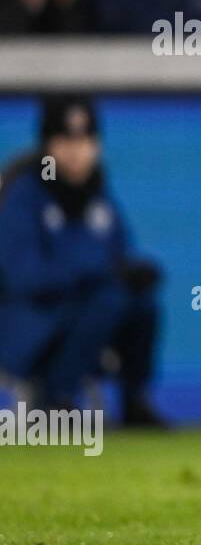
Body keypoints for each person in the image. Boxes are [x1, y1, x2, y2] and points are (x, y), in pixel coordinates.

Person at [0, 96, 164, 425]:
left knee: (141, 303)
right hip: (31, 323)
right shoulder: (24, 196)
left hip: (87, 319)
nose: (77, 152)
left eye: (86, 140)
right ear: (46, 145)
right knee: (108, 299)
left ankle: (135, 400)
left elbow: (119, 259)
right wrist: (96, 274)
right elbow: (22, 278)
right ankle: (54, 399)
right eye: (65, 141)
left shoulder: (99, 198)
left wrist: (134, 273)